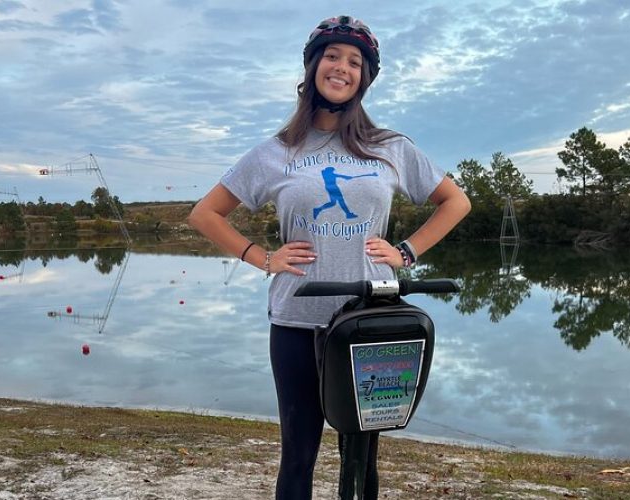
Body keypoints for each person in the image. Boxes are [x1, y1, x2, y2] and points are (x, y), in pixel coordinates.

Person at [188, 15, 471, 499]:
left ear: (365, 78)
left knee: (362, 455)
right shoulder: (277, 152)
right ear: (313, 66)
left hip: (370, 319)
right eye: (333, 56)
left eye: (355, 62)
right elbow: (205, 214)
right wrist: (263, 257)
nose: (342, 68)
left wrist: (404, 251)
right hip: (297, 319)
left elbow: (456, 202)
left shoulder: (390, 148)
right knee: (298, 454)